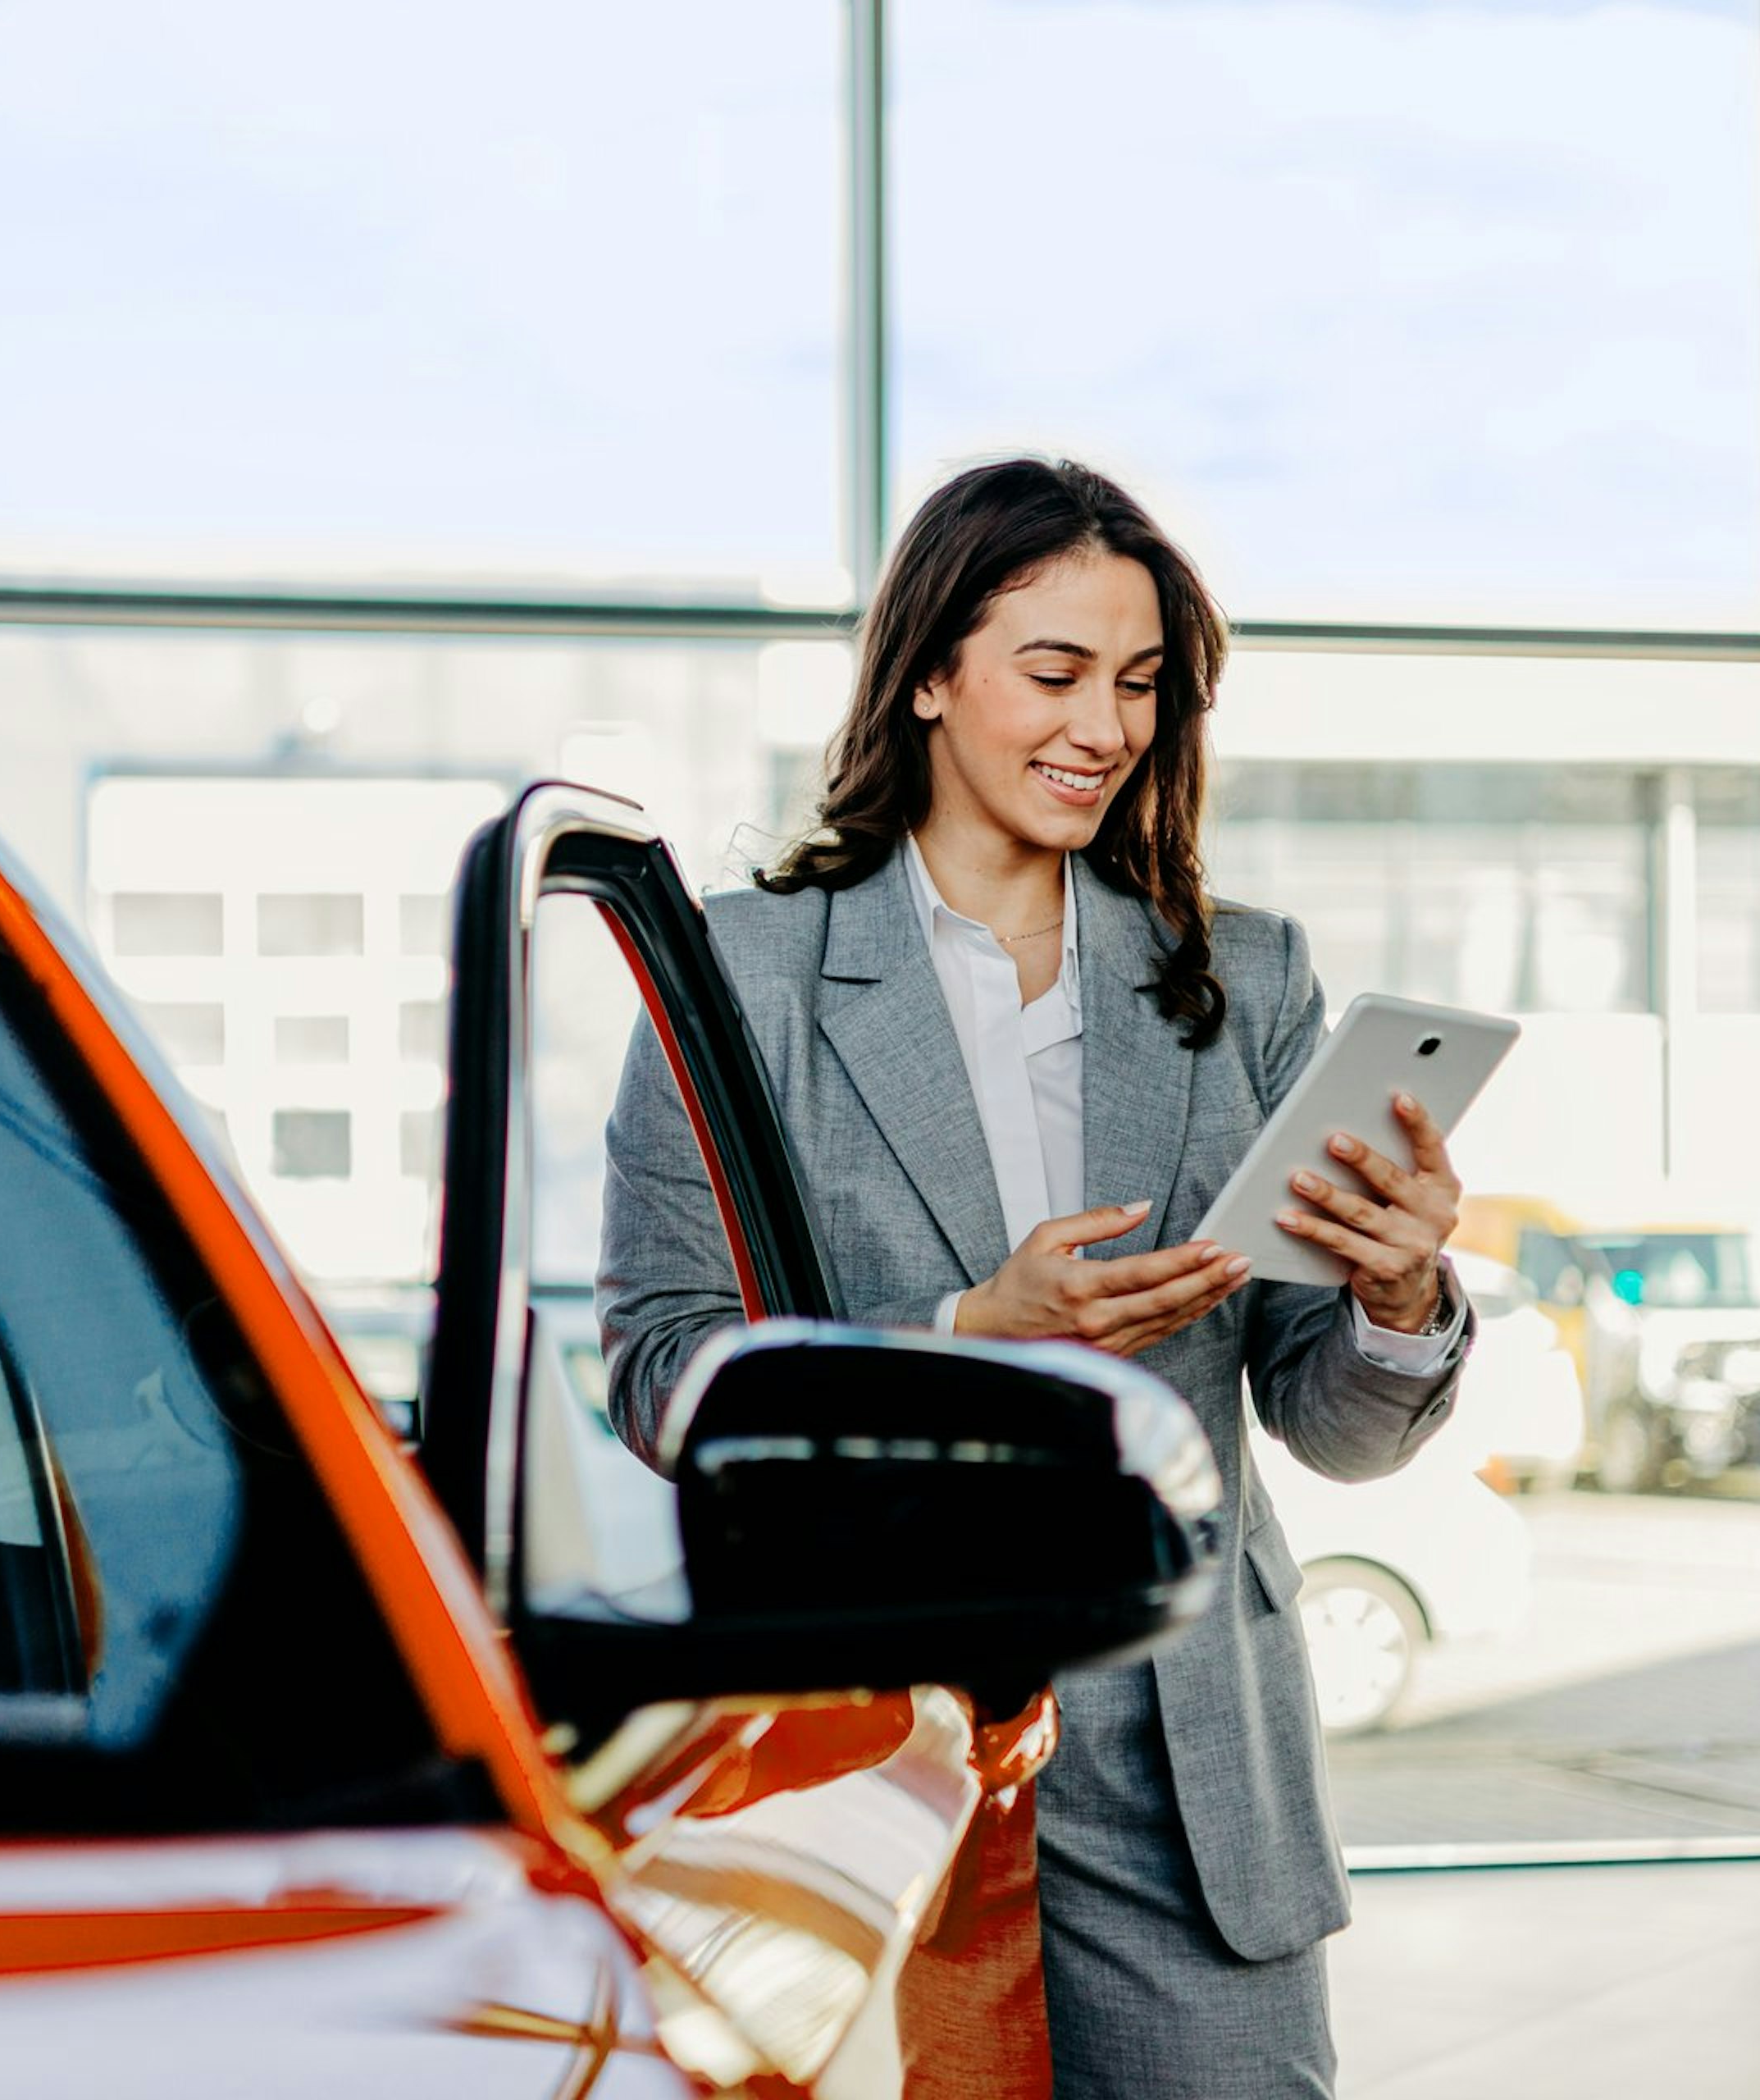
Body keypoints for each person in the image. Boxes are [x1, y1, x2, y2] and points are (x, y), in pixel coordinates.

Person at [596, 456, 1473, 2098]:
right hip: (871, 1742)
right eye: (1055, 671)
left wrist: (1398, 1298)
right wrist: (963, 1335)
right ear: (929, 670)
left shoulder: (1247, 976)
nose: (1106, 725)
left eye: (1140, 684)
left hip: (1187, 1747)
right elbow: (662, 1366)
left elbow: (1331, 1421)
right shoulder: (746, 971)